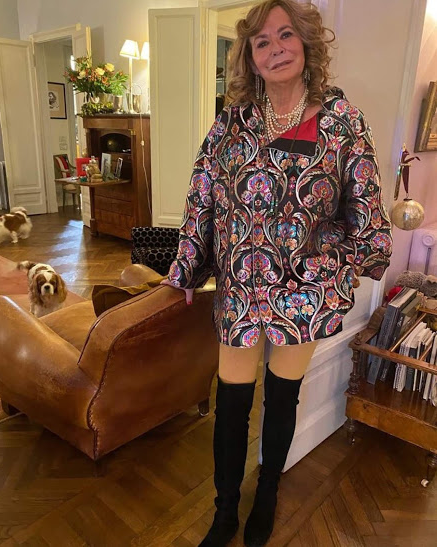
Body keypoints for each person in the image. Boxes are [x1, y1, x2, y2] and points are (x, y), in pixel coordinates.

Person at [161, 1, 393, 545]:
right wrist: (187, 264)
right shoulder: (231, 122)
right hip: (242, 285)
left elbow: (365, 200)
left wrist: (354, 261)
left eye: (285, 35)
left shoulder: (343, 121)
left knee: (282, 398)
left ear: (307, 43)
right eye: (261, 42)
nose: (275, 49)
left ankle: (266, 493)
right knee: (232, 403)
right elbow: (202, 195)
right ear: (250, 56)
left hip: (305, 288)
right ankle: (224, 511)